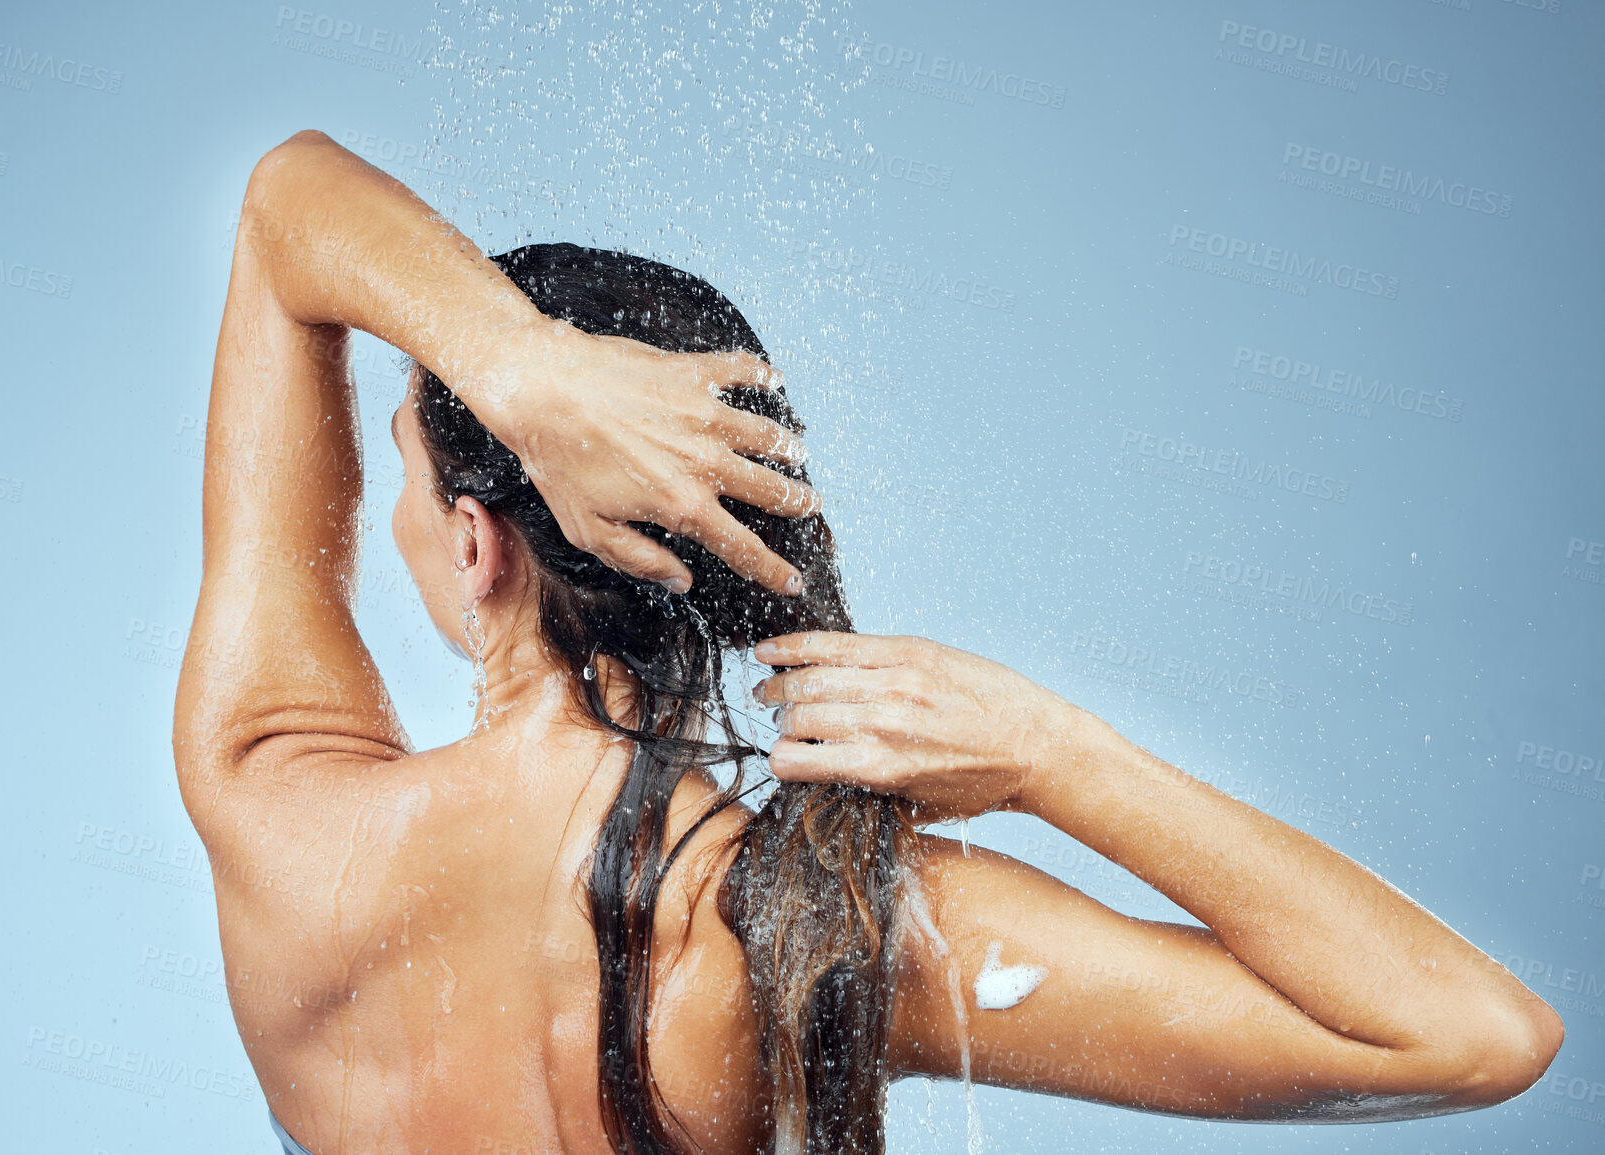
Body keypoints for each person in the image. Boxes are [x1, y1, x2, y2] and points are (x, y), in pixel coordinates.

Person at [174, 131, 1563, 1155]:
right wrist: (1054, 756)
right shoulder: (811, 925)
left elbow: (284, 205)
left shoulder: (277, 811)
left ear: (478, 544)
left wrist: (513, 370)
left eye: (406, 464)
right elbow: (1467, 1035)